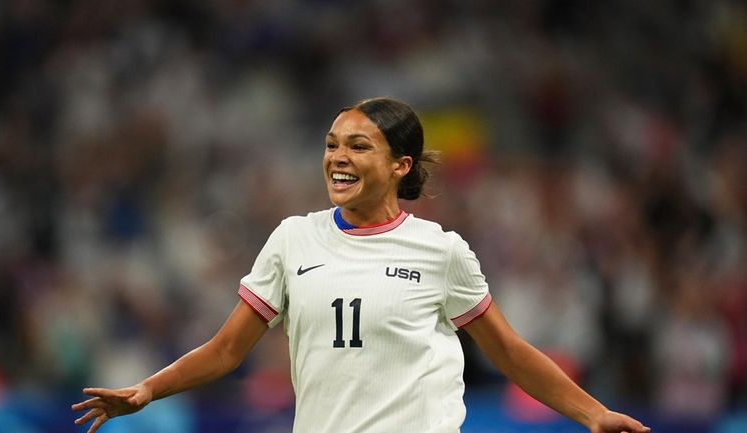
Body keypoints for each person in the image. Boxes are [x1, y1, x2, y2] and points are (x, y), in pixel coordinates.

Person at [72, 97, 650, 433]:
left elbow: (509, 352)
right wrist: (146, 390)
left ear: (401, 165)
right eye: (331, 144)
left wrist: (593, 414)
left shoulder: (441, 251)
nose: (337, 158)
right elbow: (226, 350)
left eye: (357, 146)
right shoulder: (293, 239)